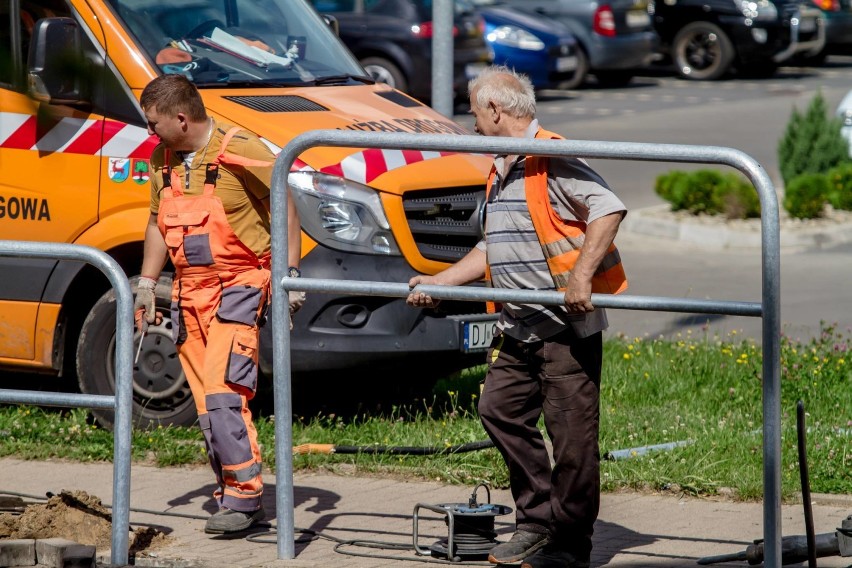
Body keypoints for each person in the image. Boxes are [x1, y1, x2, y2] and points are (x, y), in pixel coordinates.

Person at [406, 65, 628, 568]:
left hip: (565, 328)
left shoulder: (549, 154)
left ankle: (570, 544)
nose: (471, 119)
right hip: (519, 325)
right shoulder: (501, 166)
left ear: (494, 110)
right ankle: (535, 522)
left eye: (473, 109)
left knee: (571, 438)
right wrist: (443, 281)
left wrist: (581, 278)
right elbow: (493, 246)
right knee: (498, 411)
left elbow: (608, 209)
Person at [134, 73, 304, 535]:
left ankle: (246, 501)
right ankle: (231, 490)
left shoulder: (240, 147)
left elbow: (285, 202)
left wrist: (290, 278)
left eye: (154, 123)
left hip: (240, 285)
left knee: (225, 390)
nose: (149, 132)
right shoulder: (161, 159)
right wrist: (148, 283)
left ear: (181, 119)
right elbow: (155, 222)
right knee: (208, 405)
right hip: (190, 291)